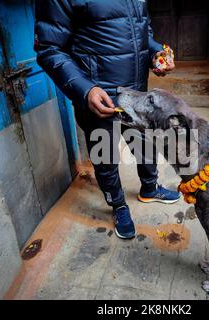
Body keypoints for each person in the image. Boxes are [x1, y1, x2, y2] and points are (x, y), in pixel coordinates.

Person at [34, 0, 180, 239]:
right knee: (106, 157)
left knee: (144, 144)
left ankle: (150, 188)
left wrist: (156, 52)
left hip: (136, 95)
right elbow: (49, 48)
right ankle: (118, 204)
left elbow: (143, 30)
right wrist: (85, 90)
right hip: (99, 99)